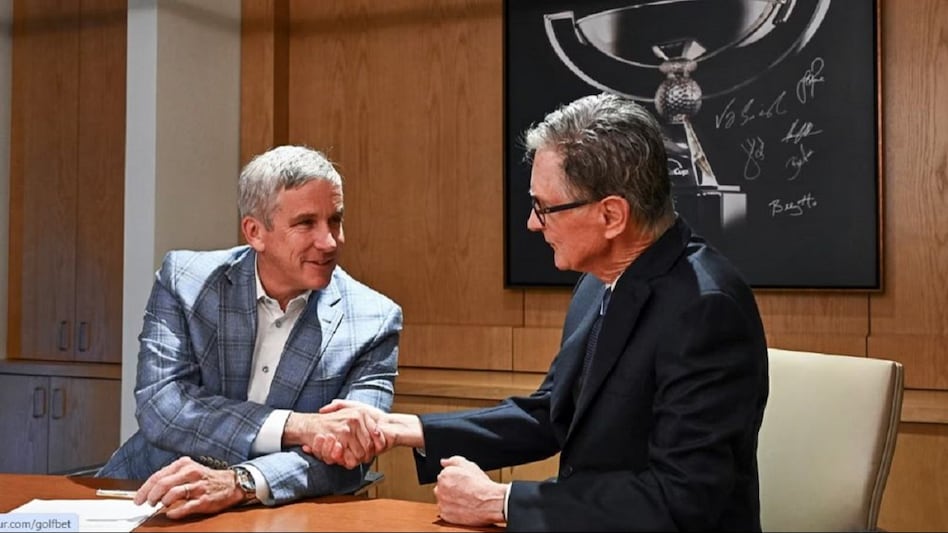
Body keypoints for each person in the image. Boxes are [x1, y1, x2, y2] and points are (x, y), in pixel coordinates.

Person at [307, 93, 769, 531]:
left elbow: (680, 501)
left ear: (612, 216)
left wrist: (501, 502)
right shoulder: (599, 281)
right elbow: (553, 413)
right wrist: (406, 428)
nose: (532, 223)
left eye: (544, 208)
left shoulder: (707, 310)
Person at [97, 145, 402, 519]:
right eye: (306, 223)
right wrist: (298, 426)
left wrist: (242, 481)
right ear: (255, 232)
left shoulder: (374, 319)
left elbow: (351, 453)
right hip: (149, 494)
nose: (330, 242)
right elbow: (162, 406)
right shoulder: (186, 281)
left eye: (335, 220)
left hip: (280, 513)